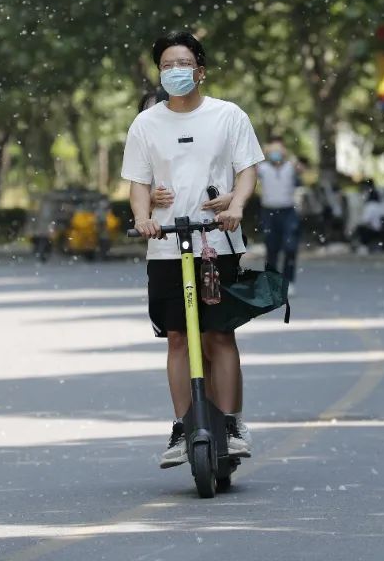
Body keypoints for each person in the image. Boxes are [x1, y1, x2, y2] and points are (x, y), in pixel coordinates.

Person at [121, 29, 264, 469]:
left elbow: (246, 172)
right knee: (179, 338)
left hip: (215, 242)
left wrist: (236, 205)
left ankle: (234, 424)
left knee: (219, 334)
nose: (175, 72)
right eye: (166, 66)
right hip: (166, 247)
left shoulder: (229, 116)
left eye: (183, 64)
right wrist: (144, 218)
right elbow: (138, 185)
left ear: (200, 70)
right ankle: (183, 427)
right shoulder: (146, 124)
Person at [256, 136, 302, 290]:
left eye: (278, 150)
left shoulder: (290, 167)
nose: (276, 153)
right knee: (271, 248)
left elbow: (301, 170)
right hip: (268, 212)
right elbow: (249, 171)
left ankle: (289, 281)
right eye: (273, 151)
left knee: (290, 247)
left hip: (288, 212)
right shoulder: (263, 168)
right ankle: (272, 281)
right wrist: (264, 152)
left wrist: (292, 160)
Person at [355, 183, 384, 252]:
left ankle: (362, 246)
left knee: (359, 228)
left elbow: (365, 221)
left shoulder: (370, 206)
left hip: (374, 231)